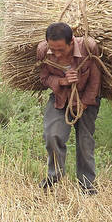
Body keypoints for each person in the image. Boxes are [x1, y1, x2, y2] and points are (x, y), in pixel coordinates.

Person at [36, 22, 101, 194]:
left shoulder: (89, 47)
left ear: (72, 41)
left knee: (85, 142)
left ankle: (87, 185)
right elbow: (44, 78)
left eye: (61, 49)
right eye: (53, 49)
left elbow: (95, 79)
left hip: (87, 99)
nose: (56, 53)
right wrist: (61, 82)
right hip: (60, 98)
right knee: (52, 135)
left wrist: (85, 103)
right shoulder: (43, 51)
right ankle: (54, 175)